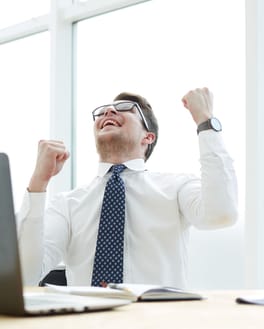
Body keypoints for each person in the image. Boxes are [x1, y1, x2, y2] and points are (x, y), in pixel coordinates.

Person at [17, 87, 238, 288]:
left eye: (126, 109)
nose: (110, 111)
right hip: (87, 328)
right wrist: (39, 182)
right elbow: (26, 275)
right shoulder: (67, 204)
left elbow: (222, 214)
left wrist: (206, 123)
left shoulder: (176, 186)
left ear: (148, 137)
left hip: (160, 325)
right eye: (103, 111)